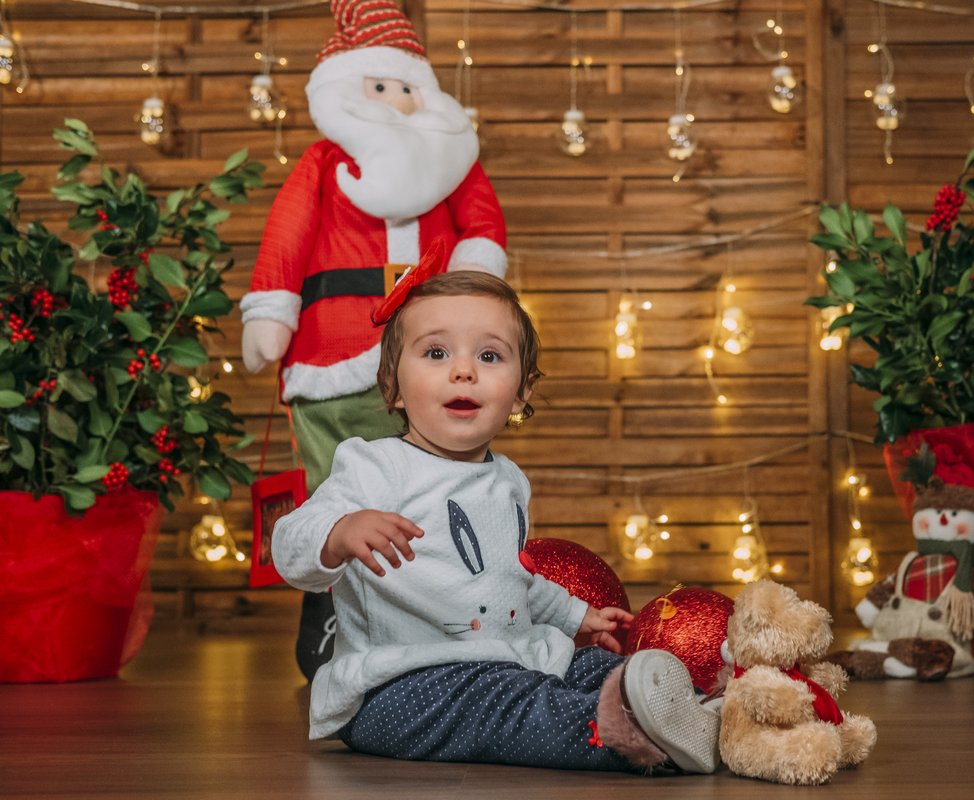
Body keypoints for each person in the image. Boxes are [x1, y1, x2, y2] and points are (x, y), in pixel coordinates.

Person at [271, 271, 721, 773]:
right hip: (400, 685)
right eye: (436, 353)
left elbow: (506, 580)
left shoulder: (507, 480)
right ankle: (631, 736)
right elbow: (288, 542)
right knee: (513, 704)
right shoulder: (376, 466)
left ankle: (704, 711)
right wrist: (338, 532)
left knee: (592, 666)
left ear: (522, 392)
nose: (464, 371)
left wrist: (577, 616)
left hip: (506, 659)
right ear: (393, 387)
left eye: (489, 356)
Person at [240, 0, 507, 680]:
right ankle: (331, 602)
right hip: (330, 355)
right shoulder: (321, 162)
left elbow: (482, 226)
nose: (395, 102)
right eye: (379, 86)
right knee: (334, 483)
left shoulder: (451, 163)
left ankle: (435, 607)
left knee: (431, 481)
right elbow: (287, 233)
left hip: (429, 353)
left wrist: (475, 295)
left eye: (406, 88)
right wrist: (271, 309)